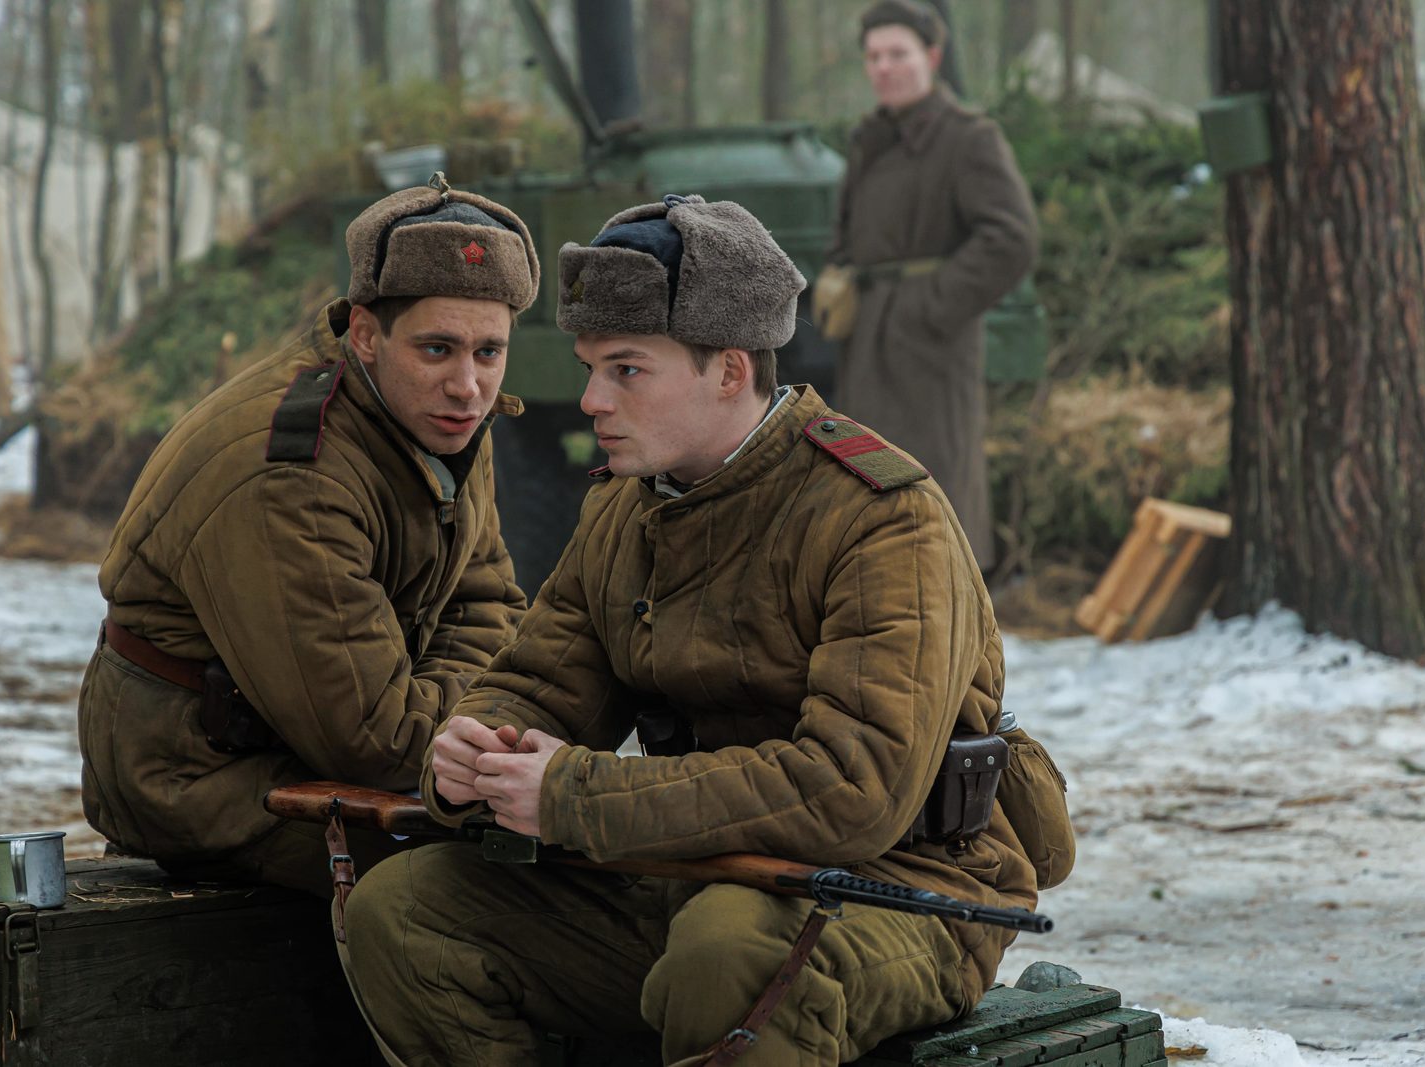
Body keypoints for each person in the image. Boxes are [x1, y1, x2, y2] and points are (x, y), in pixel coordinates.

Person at [341, 194, 1049, 1066]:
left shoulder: (880, 519)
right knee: (405, 910)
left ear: (729, 370)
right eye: (590, 367)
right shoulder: (623, 508)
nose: (591, 399)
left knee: (729, 953)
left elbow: (851, 788)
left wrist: (571, 795)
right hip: (689, 867)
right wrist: (470, 753)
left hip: (899, 886)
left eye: (626, 369)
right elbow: (539, 684)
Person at [76, 179, 540, 895]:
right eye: (437, 348)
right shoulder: (295, 473)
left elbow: (486, 602)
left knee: (558, 849)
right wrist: (487, 722)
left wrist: (462, 720)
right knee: (493, 890)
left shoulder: (434, 417)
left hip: (341, 747)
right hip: (208, 779)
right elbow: (377, 740)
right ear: (366, 335)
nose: (468, 385)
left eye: (489, 352)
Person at [826, 0, 1039, 573]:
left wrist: (931, 306)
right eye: (874, 57)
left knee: (932, 490)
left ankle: (950, 613)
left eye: (898, 54)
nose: (884, 68)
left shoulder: (968, 137)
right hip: (866, 337)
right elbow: (847, 233)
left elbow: (1012, 238)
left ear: (933, 58)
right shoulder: (870, 138)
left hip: (929, 346)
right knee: (866, 486)